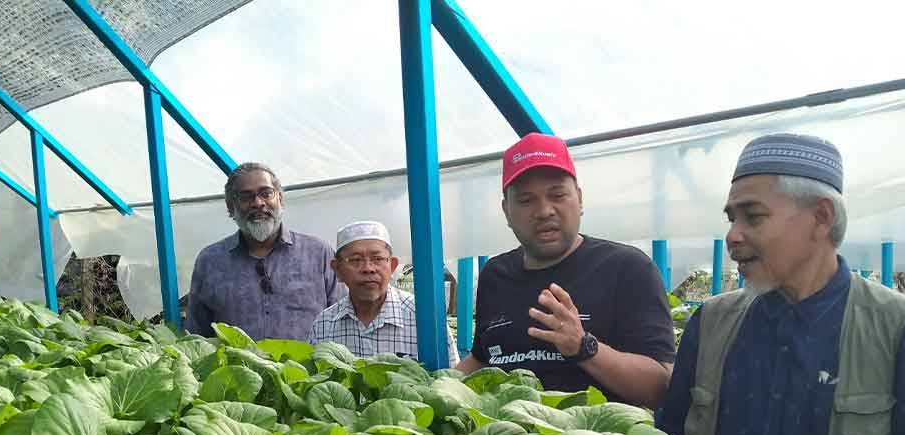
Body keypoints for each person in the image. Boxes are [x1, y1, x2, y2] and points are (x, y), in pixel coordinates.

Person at [657, 133, 905, 435]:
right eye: (732, 219)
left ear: (821, 217)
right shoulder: (711, 322)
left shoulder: (893, 327)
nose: (732, 235)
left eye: (753, 217)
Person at [455, 132, 675, 406]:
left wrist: (583, 347)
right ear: (506, 211)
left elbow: (660, 386)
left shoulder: (628, 269)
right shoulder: (495, 274)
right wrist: (434, 385)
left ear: (579, 199)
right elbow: (482, 358)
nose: (544, 210)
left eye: (557, 194)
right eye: (526, 200)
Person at [185, 162, 344, 340]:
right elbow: (197, 335)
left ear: (280, 199)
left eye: (266, 193)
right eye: (246, 197)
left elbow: (341, 322)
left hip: (310, 368)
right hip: (238, 368)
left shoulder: (318, 253)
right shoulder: (210, 261)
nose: (258, 203)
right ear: (231, 206)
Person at [308, 220, 460, 365]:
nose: (368, 268)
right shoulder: (323, 325)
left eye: (378, 259)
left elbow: (450, 380)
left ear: (392, 266)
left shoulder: (424, 318)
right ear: (338, 270)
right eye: (355, 260)